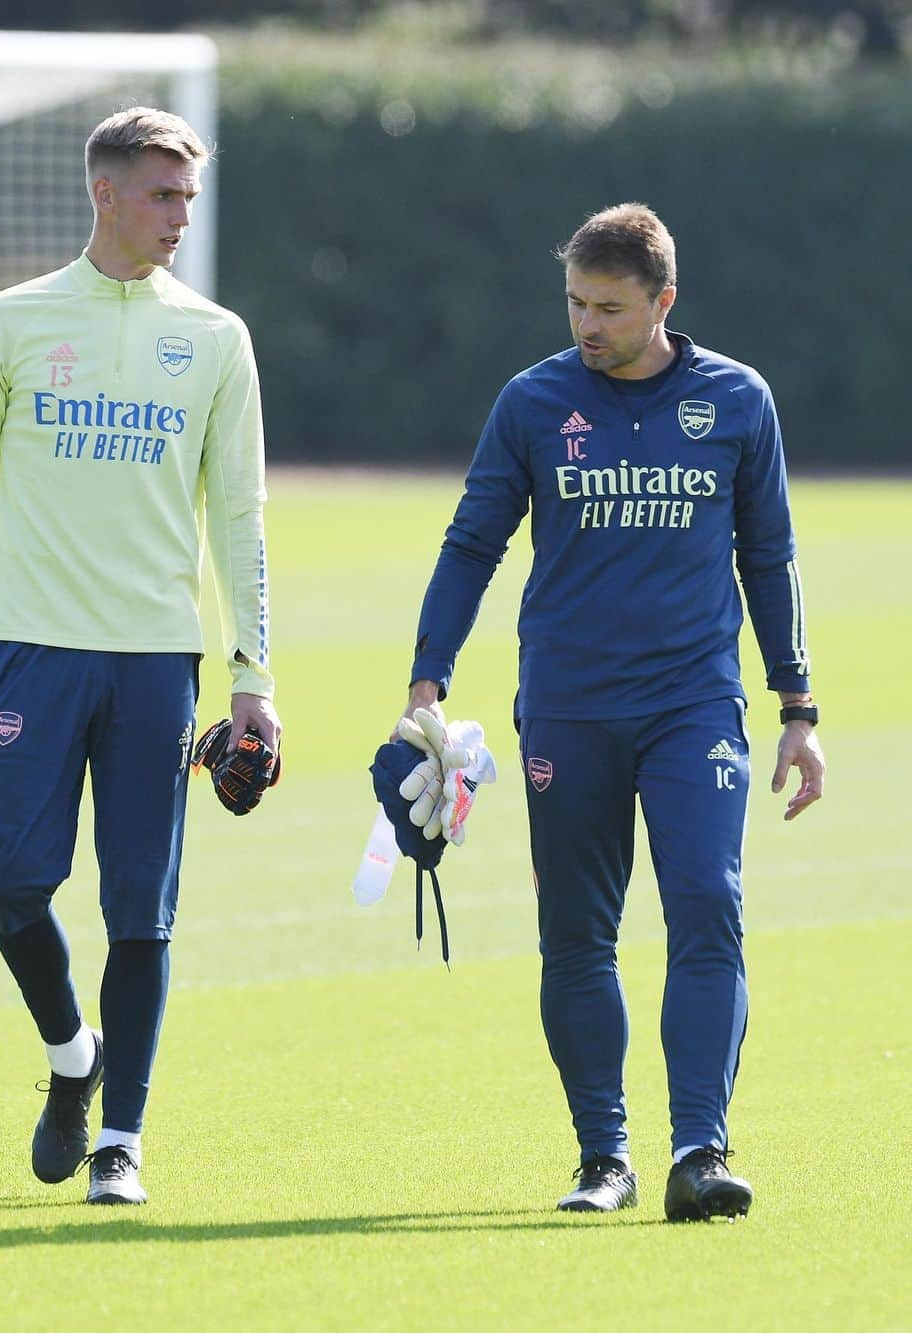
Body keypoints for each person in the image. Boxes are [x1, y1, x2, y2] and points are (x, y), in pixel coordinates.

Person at [397, 203, 824, 1221]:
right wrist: (428, 677)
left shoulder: (735, 398)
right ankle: (604, 1157)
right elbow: (472, 542)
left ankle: (700, 1150)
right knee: (578, 933)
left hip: (694, 706)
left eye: (611, 308)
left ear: (663, 302)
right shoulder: (534, 402)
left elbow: (769, 555)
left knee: (708, 907)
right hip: (570, 707)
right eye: (577, 303)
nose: (587, 325)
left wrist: (797, 705)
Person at [0, 107, 280, 1206]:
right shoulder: (13, 321)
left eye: (189, 196)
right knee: (10, 883)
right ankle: (74, 1054)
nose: (180, 216)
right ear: (106, 193)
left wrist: (251, 677)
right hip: (31, 652)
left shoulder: (216, 337)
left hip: (154, 665)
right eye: (163, 194)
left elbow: (242, 515)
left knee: (142, 907)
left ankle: (121, 1137)